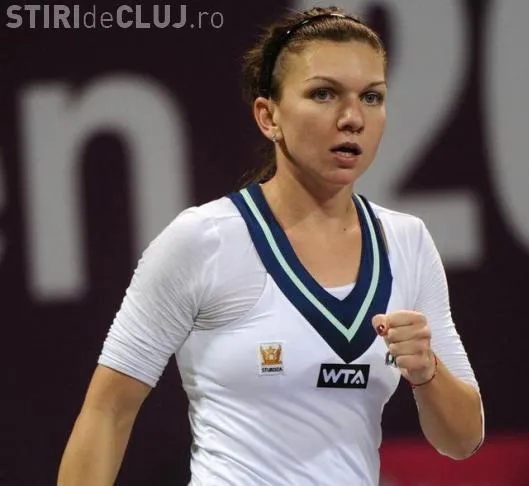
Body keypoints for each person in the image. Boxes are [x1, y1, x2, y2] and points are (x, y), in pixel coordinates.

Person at [57, 6, 484, 486]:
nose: (352, 118)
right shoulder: (203, 240)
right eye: (323, 94)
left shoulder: (407, 241)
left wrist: (427, 372)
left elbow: (463, 440)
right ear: (269, 116)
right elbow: (108, 412)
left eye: (371, 96)